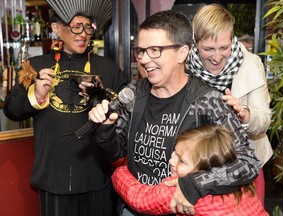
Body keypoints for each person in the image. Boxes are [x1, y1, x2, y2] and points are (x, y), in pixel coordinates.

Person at [88, 10, 261, 215]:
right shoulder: (134, 94)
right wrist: (105, 130)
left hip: (179, 208)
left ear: (182, 52)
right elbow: (116, 152)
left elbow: (248, 163)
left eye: (155, 50)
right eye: (141, 50)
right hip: (133, 208)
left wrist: (194, 184)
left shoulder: (208, 101)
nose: (144, 59)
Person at [3, 0, 125, 215]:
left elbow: (125, 110)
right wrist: (37, 94)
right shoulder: (35, 65)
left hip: (95, 173)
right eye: (76, 26)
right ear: (56, 28)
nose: (83, 33)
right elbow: (12, 110)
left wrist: (100, 95)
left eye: (88, 27)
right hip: (53, 175)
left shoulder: (108, 67)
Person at [185, 4, 272, 206]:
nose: (217, 57)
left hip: (247, 166)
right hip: (199, 168)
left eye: (224, 48)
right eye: (208, 49)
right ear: (195, 43)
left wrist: (244, 114)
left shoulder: (252, 64)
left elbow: (264, 120)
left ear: (232, 39)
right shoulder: (184, 66)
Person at [111, 125, 269, 216]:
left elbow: (140, 199)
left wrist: (119, 169)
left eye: (182, 161)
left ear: (205, 169)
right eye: (175, 153)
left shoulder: (182, 190)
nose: (171, 160)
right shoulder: (239, 183)